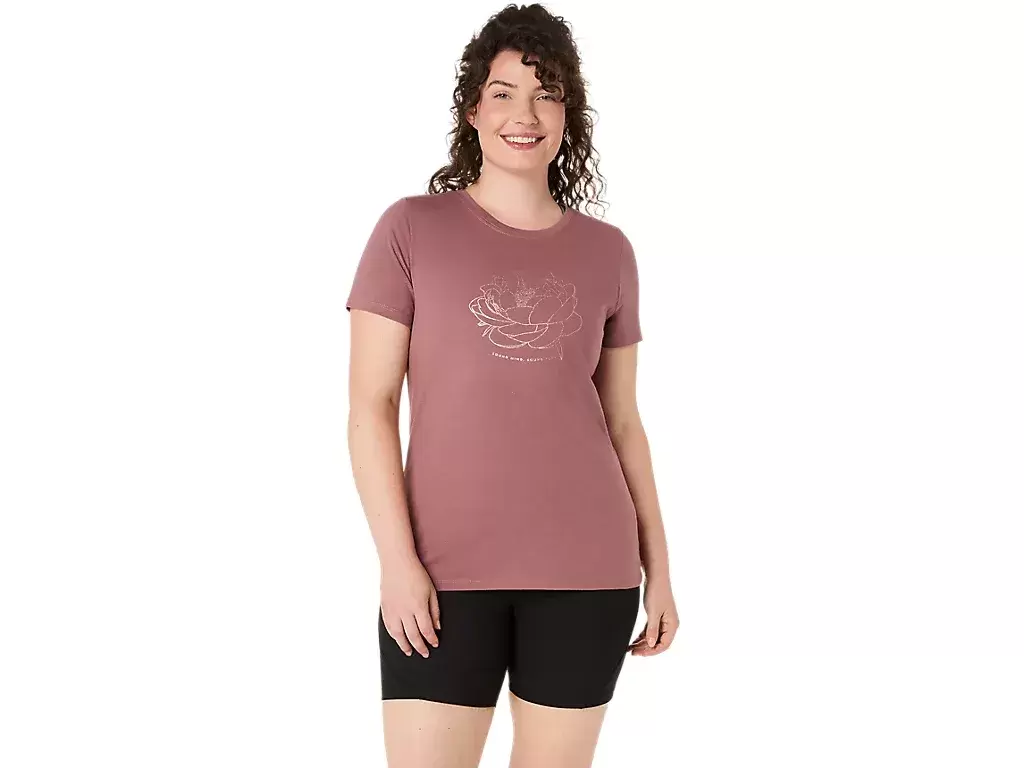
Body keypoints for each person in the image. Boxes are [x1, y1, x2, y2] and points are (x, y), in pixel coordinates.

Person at [345, 5, 678, 766]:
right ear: (472, 110)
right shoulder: (410, 230)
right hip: (440, 576)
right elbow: (370, 407)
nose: (524, 115)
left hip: (589, 572)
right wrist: (397, 563)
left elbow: (624, 422)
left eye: (546, 94)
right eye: (503, 93)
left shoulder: (608, 252)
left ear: (568, 115)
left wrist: (659, 570)